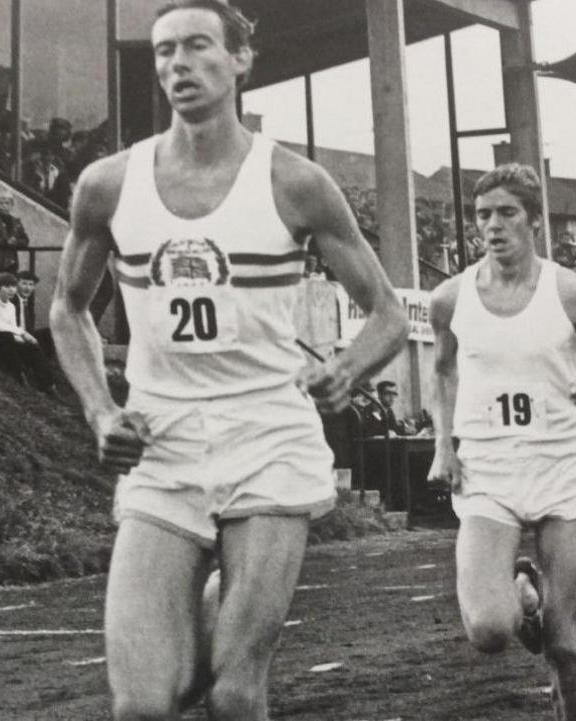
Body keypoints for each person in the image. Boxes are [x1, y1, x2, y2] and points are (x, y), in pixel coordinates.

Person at [48, 3, 409, 719]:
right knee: (146, 702)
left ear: (241, 59)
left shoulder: (294, 183)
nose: (177, 64)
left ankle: (227, 602)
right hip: (163, 438)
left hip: (267, 433)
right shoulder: (109, 184)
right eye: (163, 52)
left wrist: (347, 367)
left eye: (197, 47)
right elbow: (67, 308)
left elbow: (388, 313)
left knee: (236, 691)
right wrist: (99, 406)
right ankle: (212, 599)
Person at [427, 164, 576, 721]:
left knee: (566, 646)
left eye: (507, 213)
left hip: (562, 469)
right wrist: (442, 447)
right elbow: (443, 372)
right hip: (489, 472)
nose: (493, 226)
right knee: (487, 630)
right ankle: (523, 592)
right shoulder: (451, 299)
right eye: (483, 216)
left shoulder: (573, 293)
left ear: (534, 222)